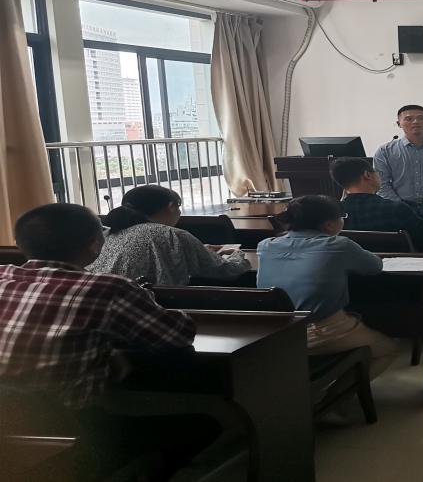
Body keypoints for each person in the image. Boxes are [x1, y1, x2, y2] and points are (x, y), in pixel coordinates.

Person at [0, 203, 210, 478]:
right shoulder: (107, 288)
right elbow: (177, 335)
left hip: (11, 430)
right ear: (95, 244)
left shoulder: (3, 275)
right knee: (206, 425)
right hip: (78, 430)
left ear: (20, 244)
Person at [257, 195, 400, 376]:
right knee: (388, 349)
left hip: (275, 332)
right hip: (320, 330)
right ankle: (339, 390)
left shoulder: (265, 246)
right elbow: (375, 266)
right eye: (342, 217)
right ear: (329, 225)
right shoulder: (339, 245)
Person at [89, 185, 250, 287]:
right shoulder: (171, 234)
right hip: (154, 309)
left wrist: (201, 250)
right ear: (171, 206)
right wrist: (238, 255)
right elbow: (226, 271)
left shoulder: (108, 234)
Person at [331, 156, 423, 251]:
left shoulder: (333, 213)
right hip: (399, 272)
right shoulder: (395, 209)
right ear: (367, 175)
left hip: (351, 274)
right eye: (377, 173)